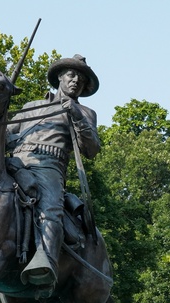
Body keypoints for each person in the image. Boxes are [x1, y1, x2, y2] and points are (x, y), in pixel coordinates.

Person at [6, 54, 101, 287]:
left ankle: (45, 260)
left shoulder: (86, 113)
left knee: (50, 208)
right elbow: (6, 136)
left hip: (49, 164)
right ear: (60, 76)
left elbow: (91, 149)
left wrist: (76, 116)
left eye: (81, 79)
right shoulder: (31, 107)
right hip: (15, 161)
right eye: (72, 75)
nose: (76, 81)